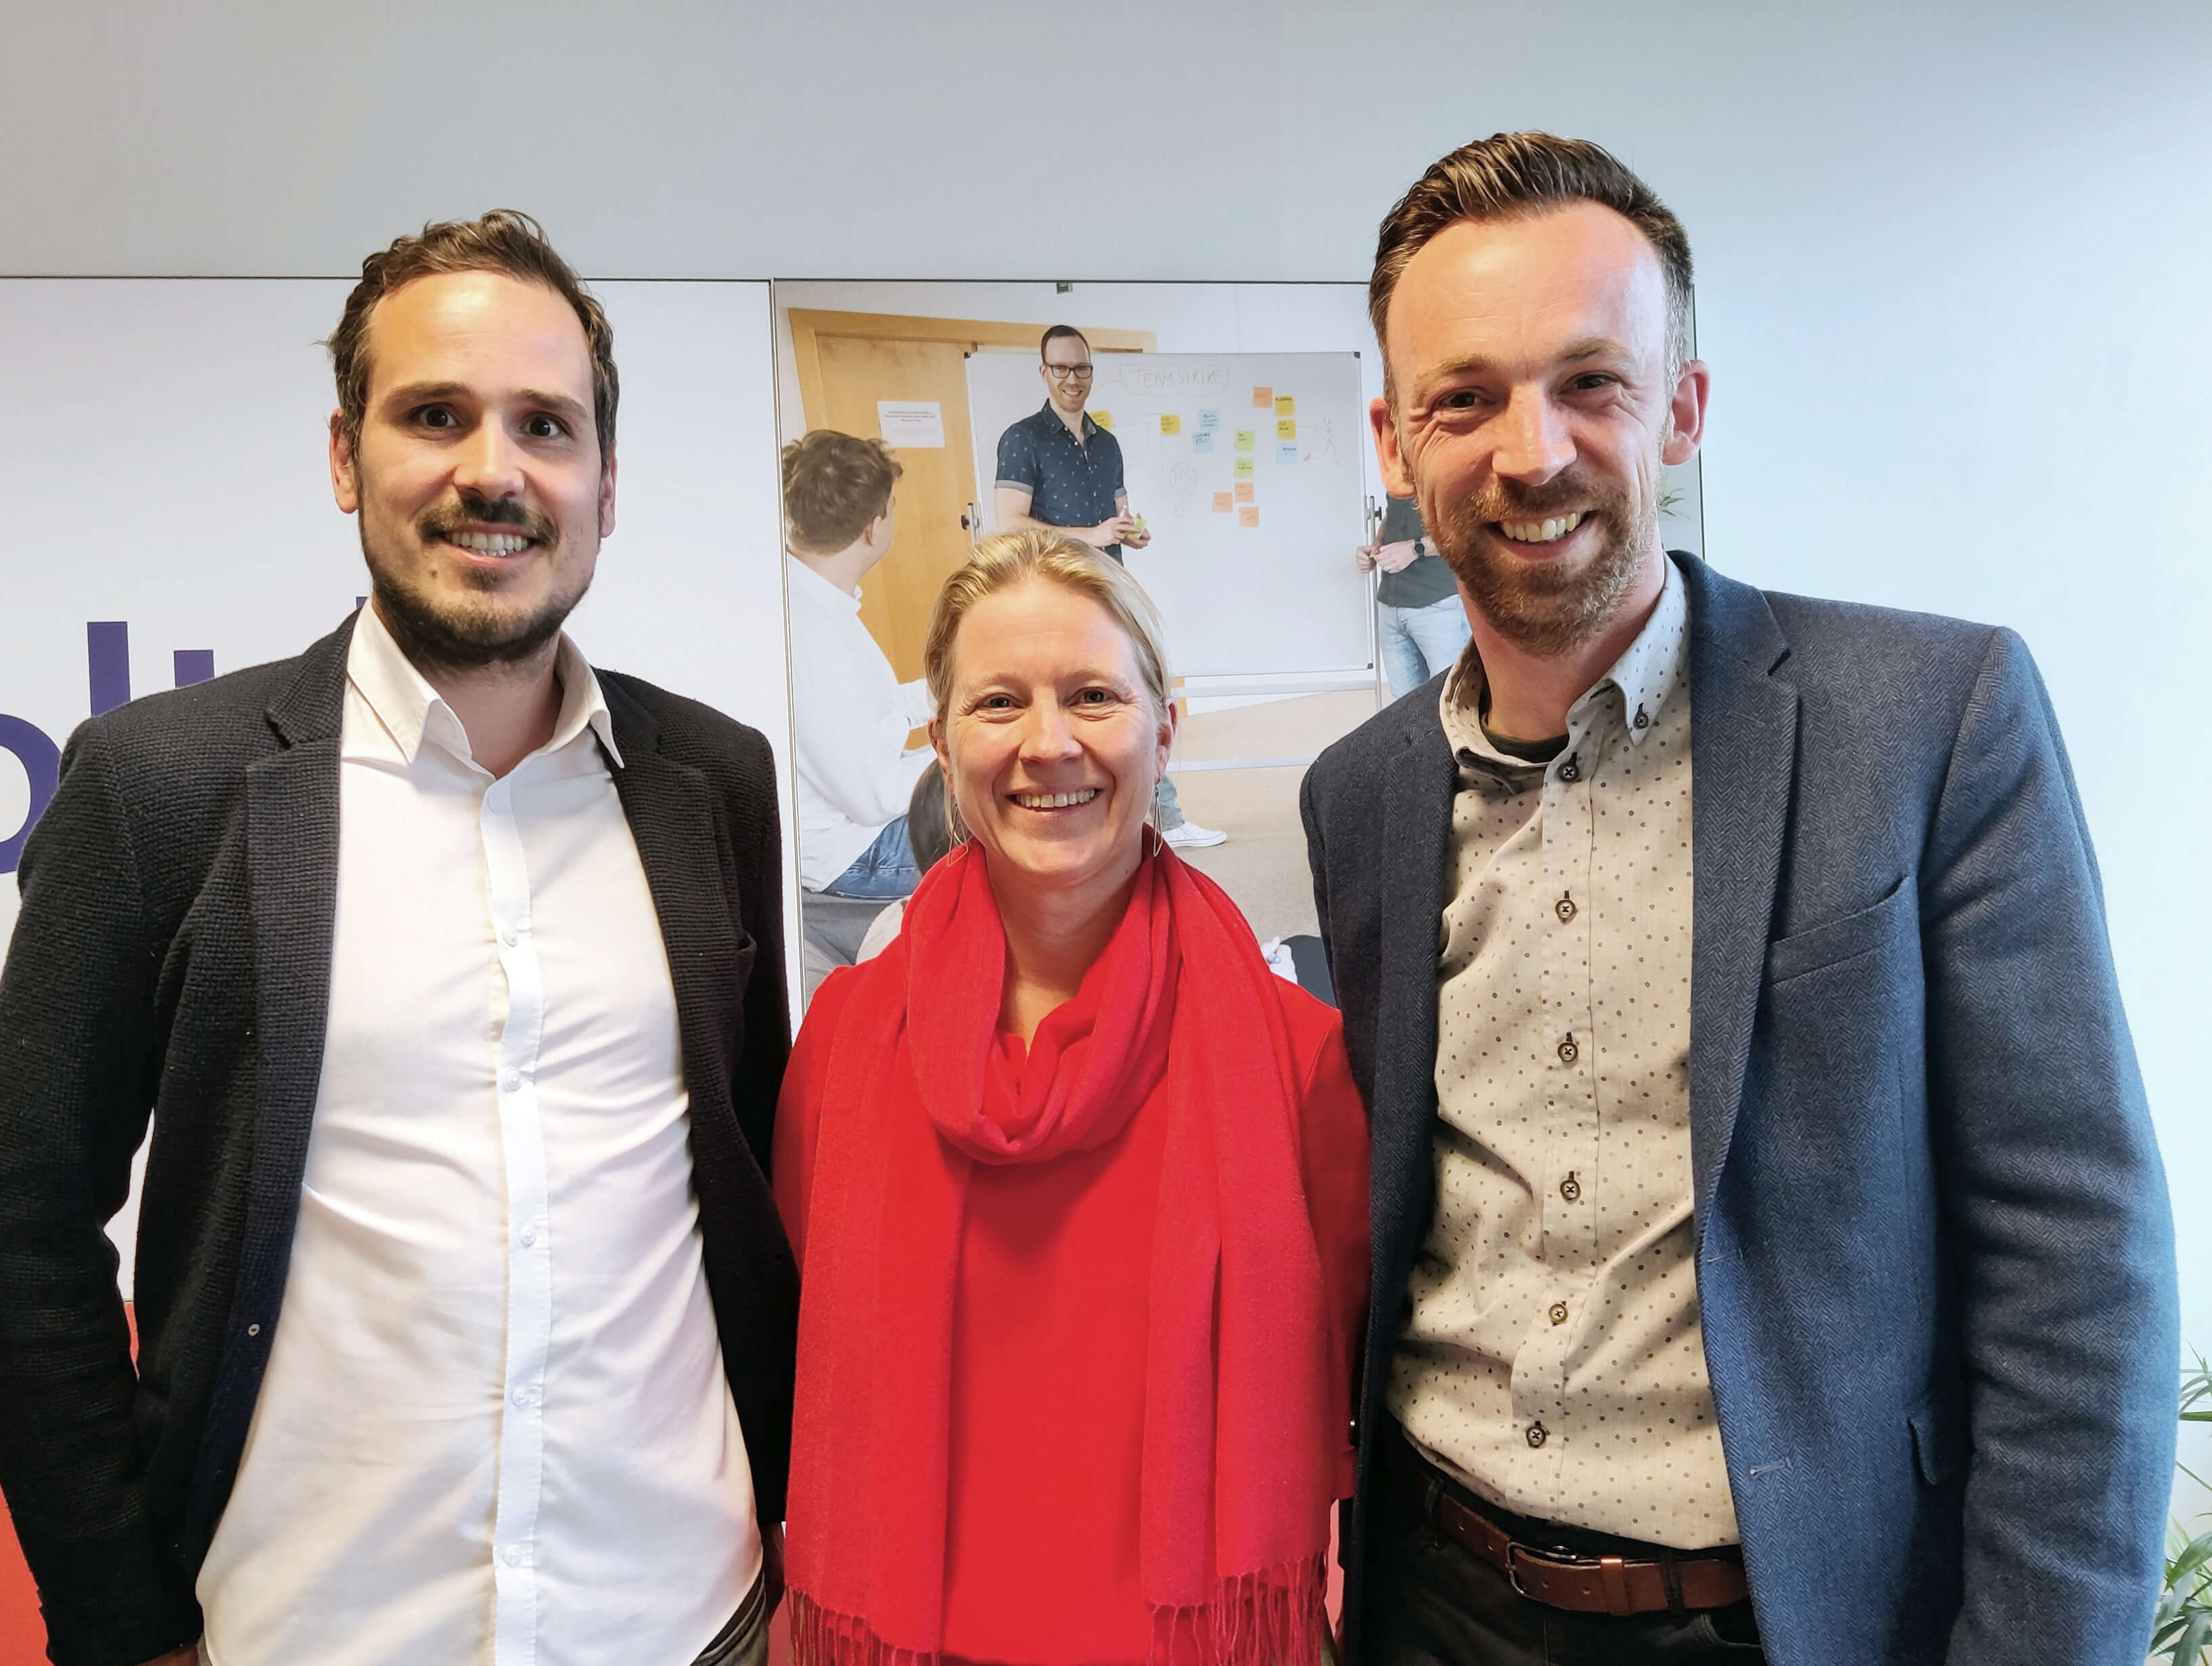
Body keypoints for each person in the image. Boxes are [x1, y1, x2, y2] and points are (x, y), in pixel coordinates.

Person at [1301, 133, 2175, 1665]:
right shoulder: (1358, 795)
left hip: (1785, 1619)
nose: (1532, 449)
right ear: (1393, 439)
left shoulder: (1929, 717)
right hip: (1434, 1602)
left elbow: (2077, 1279)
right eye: (1466, 397)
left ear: (1683, 410)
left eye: (1591, 383)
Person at [0, 212, 797, 1666]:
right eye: (433, 416)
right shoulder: (166, 787)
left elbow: (752, 1166)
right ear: (346, 456)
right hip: (304, 1630)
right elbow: (22, 1225)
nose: (494, 470)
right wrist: (120, 1618)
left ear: (605, 481)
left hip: (689, 1615)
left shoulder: (712, 781)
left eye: (547, 424)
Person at [774, 530, 1369, 1666]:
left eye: (1092, 694)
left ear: (1163, 729)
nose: (1049, 744)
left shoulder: (1301, 1065)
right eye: (999, 702)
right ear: (944, 749)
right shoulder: (848, 1044)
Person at [994, 324, 1225, 849]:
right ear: (1044, 373)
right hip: (1051, 598)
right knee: (1080, 708)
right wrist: (1090, 536)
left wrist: (1129, 531)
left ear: (1092, 373)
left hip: (1109, 591)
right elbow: (1008, 521)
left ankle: (1163, 817)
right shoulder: (1022, 438)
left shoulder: (1108, 444)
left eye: (1081, 368)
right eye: (1061, 368)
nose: (1072, 378)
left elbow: (1118, 513)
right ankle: (1094, 819)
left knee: (1136, 697)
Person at [782, 429, 933, 902]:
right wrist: (968, 747)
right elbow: (878, 798)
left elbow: (871, 716)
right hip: (855, 854)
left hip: (856, 823)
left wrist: (952, 692)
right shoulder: (815, 639)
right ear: (874, 526)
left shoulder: (817, 605)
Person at [1354, 493, 1469, 697]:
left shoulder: (1453, 467)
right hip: (1391, 604)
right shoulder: (1399, 470)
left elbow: (1467, 530)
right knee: (1404, 710)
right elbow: (1392, 514)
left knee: (1450, 703)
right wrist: (1377, 548)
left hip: (1440, 605)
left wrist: (1416, 548)